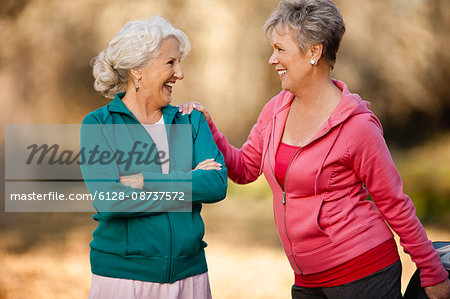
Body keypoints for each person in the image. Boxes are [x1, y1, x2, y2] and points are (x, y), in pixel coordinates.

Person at [178, 0, 450, 298]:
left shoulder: (357, 126)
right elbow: (244, 169)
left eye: (280, 50)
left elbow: (394, 202)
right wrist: (209, 128)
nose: (272, 59)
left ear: (314, 52)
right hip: (307, 279)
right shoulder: (275, 110)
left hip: (363, 272)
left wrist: (431, 270)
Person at [80, 16, 227, 299]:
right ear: (138, 69)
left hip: (190, 275)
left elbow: (216, 184)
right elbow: (110, 201)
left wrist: (138, 182)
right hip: (122, 278)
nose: (180, 73)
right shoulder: (99, 124)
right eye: (170, 63)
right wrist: (189, 180)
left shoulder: (191, 120)